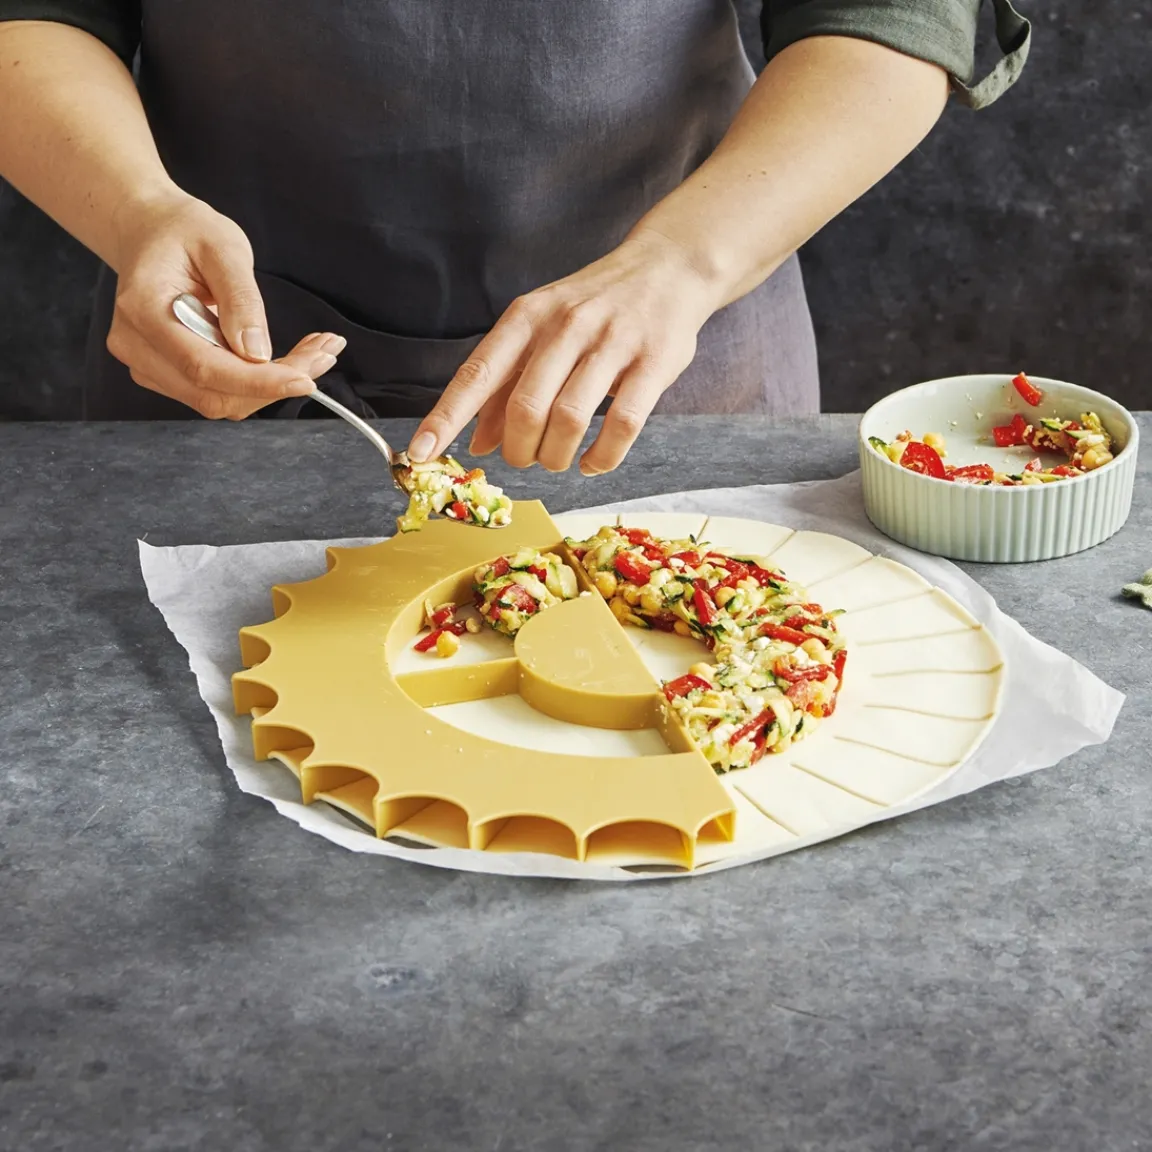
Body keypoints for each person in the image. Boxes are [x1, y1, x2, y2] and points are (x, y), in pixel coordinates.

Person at [0, 1, 1029, 474]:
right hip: (209, 362)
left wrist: (681, 263)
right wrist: (134, 211)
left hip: (671, 371)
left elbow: (889, 20)